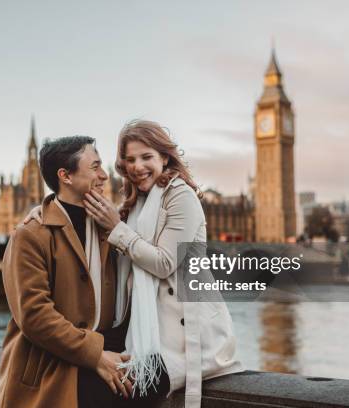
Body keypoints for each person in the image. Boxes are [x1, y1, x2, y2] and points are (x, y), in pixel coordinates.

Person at [82, 120, 243, 408]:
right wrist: (41, 214)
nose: (137, 166)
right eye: (130, 159)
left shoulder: (180, 196)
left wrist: (116, 228)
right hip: (141, 330)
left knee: (109, 391)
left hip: (180, 340)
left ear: (164, 157)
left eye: (146, 157)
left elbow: (165, 263)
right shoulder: (135, 203)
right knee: (76, 366)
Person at [0, 136, 133, 408]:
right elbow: (34, 315)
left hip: (105, 353)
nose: (104, 175)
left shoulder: (110, 226)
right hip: (49, 368)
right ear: (65, 176)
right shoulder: (30, 234)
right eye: (95, 167)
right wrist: (95, 356)